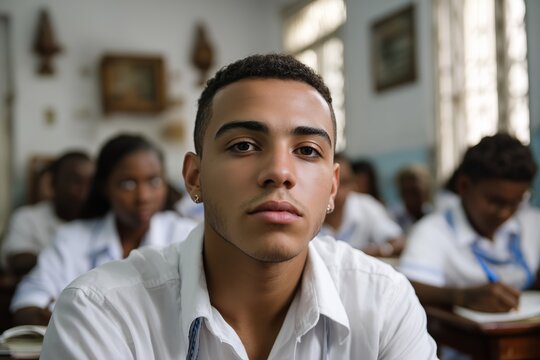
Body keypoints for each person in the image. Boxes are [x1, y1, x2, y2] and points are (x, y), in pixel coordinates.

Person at [41, 54, 437, 359]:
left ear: (333, 187)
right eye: (243, 145)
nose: (279, 172)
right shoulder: (103, 313)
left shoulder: (382, 302)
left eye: (307, 150)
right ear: (195, 177)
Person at [10, 134, 197, 326]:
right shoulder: (72, 238)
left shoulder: (185, 235)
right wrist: (56, 321)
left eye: (153, 182)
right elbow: (28, 301)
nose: (143, 196)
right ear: (104, 187)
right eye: (128, 184)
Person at [399, 133, 540, 313]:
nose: (505, 213)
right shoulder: (432, 231)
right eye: (495, 202)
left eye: (516, 202)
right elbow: (409, 287)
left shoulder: (531, 222)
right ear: (464, 186)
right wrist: (464, 297)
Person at [1, 151, 94, 275]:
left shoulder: (101, 222)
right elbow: (17, 260)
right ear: (53, 183)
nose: (85, 191)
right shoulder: (27, 218)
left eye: (91, 183)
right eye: (76, 181)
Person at [321, 154, 404, 257]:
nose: (336, 190)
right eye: (330, 182)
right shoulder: (307, 211)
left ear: (353, 184)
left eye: (344, 182)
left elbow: (399, 241)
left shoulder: (366, 206)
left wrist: (382, 250)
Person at [390, 164, 434, 234]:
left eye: (415, 191)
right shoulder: (391, 219)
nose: (411, 197)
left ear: (426, 191)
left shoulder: (434, 216)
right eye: (407, 191)